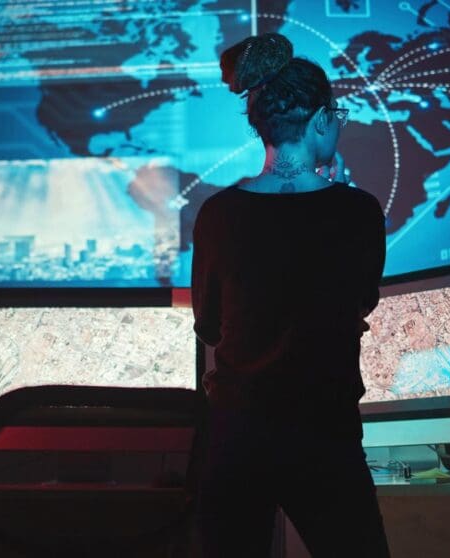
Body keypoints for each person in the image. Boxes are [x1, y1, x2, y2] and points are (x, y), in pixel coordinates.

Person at [191, 33, 390, 557]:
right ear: (321, 121)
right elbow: (360, 303)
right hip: (325, 437)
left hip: (236, 439)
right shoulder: (359, 213)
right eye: (338, 116)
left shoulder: (217, 216)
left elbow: (209, 328)